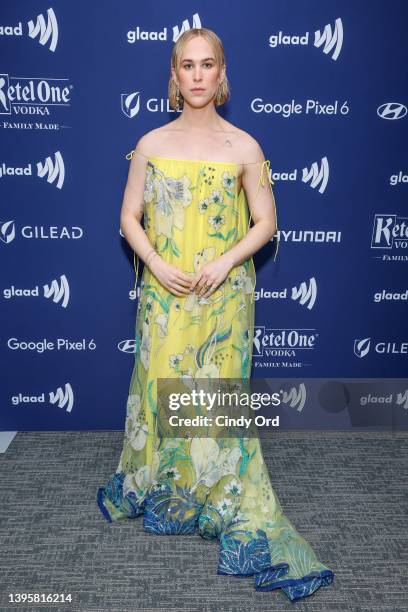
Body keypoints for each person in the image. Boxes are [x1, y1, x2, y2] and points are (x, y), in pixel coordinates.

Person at [97, 27, 334, 602]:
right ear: (173, 75)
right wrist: (155, 263)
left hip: (223, 296)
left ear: (221, 72)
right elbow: (129, 217)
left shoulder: (244, 147)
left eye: (208, 65)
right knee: (161, 385)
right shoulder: (150, 142)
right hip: (164, 290)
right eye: (187, 65)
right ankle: (167, 482)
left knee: (216, 389)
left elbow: (266, 224)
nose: (198, 75)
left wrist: (225, 264)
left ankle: (217, 487)